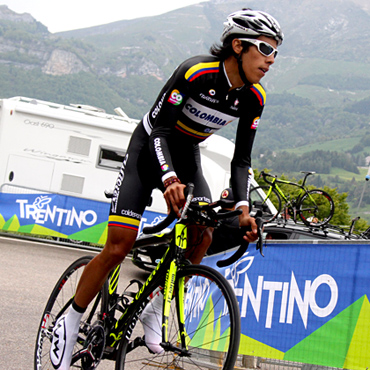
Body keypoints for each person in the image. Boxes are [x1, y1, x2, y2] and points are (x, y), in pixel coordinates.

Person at [49, 8, 283, 369]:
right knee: (119, 245)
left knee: (202, 232)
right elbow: (159, 131)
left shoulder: (254, 98)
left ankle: (156, 307)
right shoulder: (196, 72)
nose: (271, 60)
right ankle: (71, 321)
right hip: (150, 148)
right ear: (238, 45)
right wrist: (169, 179)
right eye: (265, 48)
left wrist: (242, 208)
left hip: (187, 153)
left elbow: (240, 161)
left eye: (276, 52)